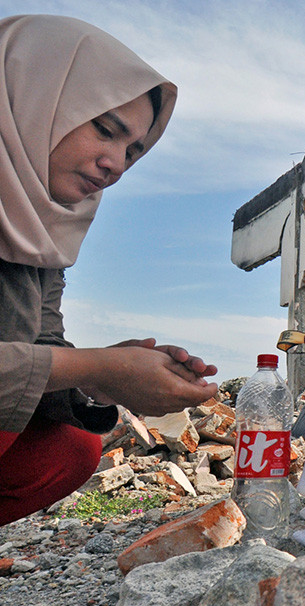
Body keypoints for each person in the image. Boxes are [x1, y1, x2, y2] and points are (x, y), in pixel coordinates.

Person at [0, 15, 218, 526]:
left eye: (132, 151)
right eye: (105, 130)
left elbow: (40, 347)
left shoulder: (39, 232)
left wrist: (111, 377)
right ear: (32, 93)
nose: (116, 164)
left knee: (68, 450)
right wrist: (96, 366)